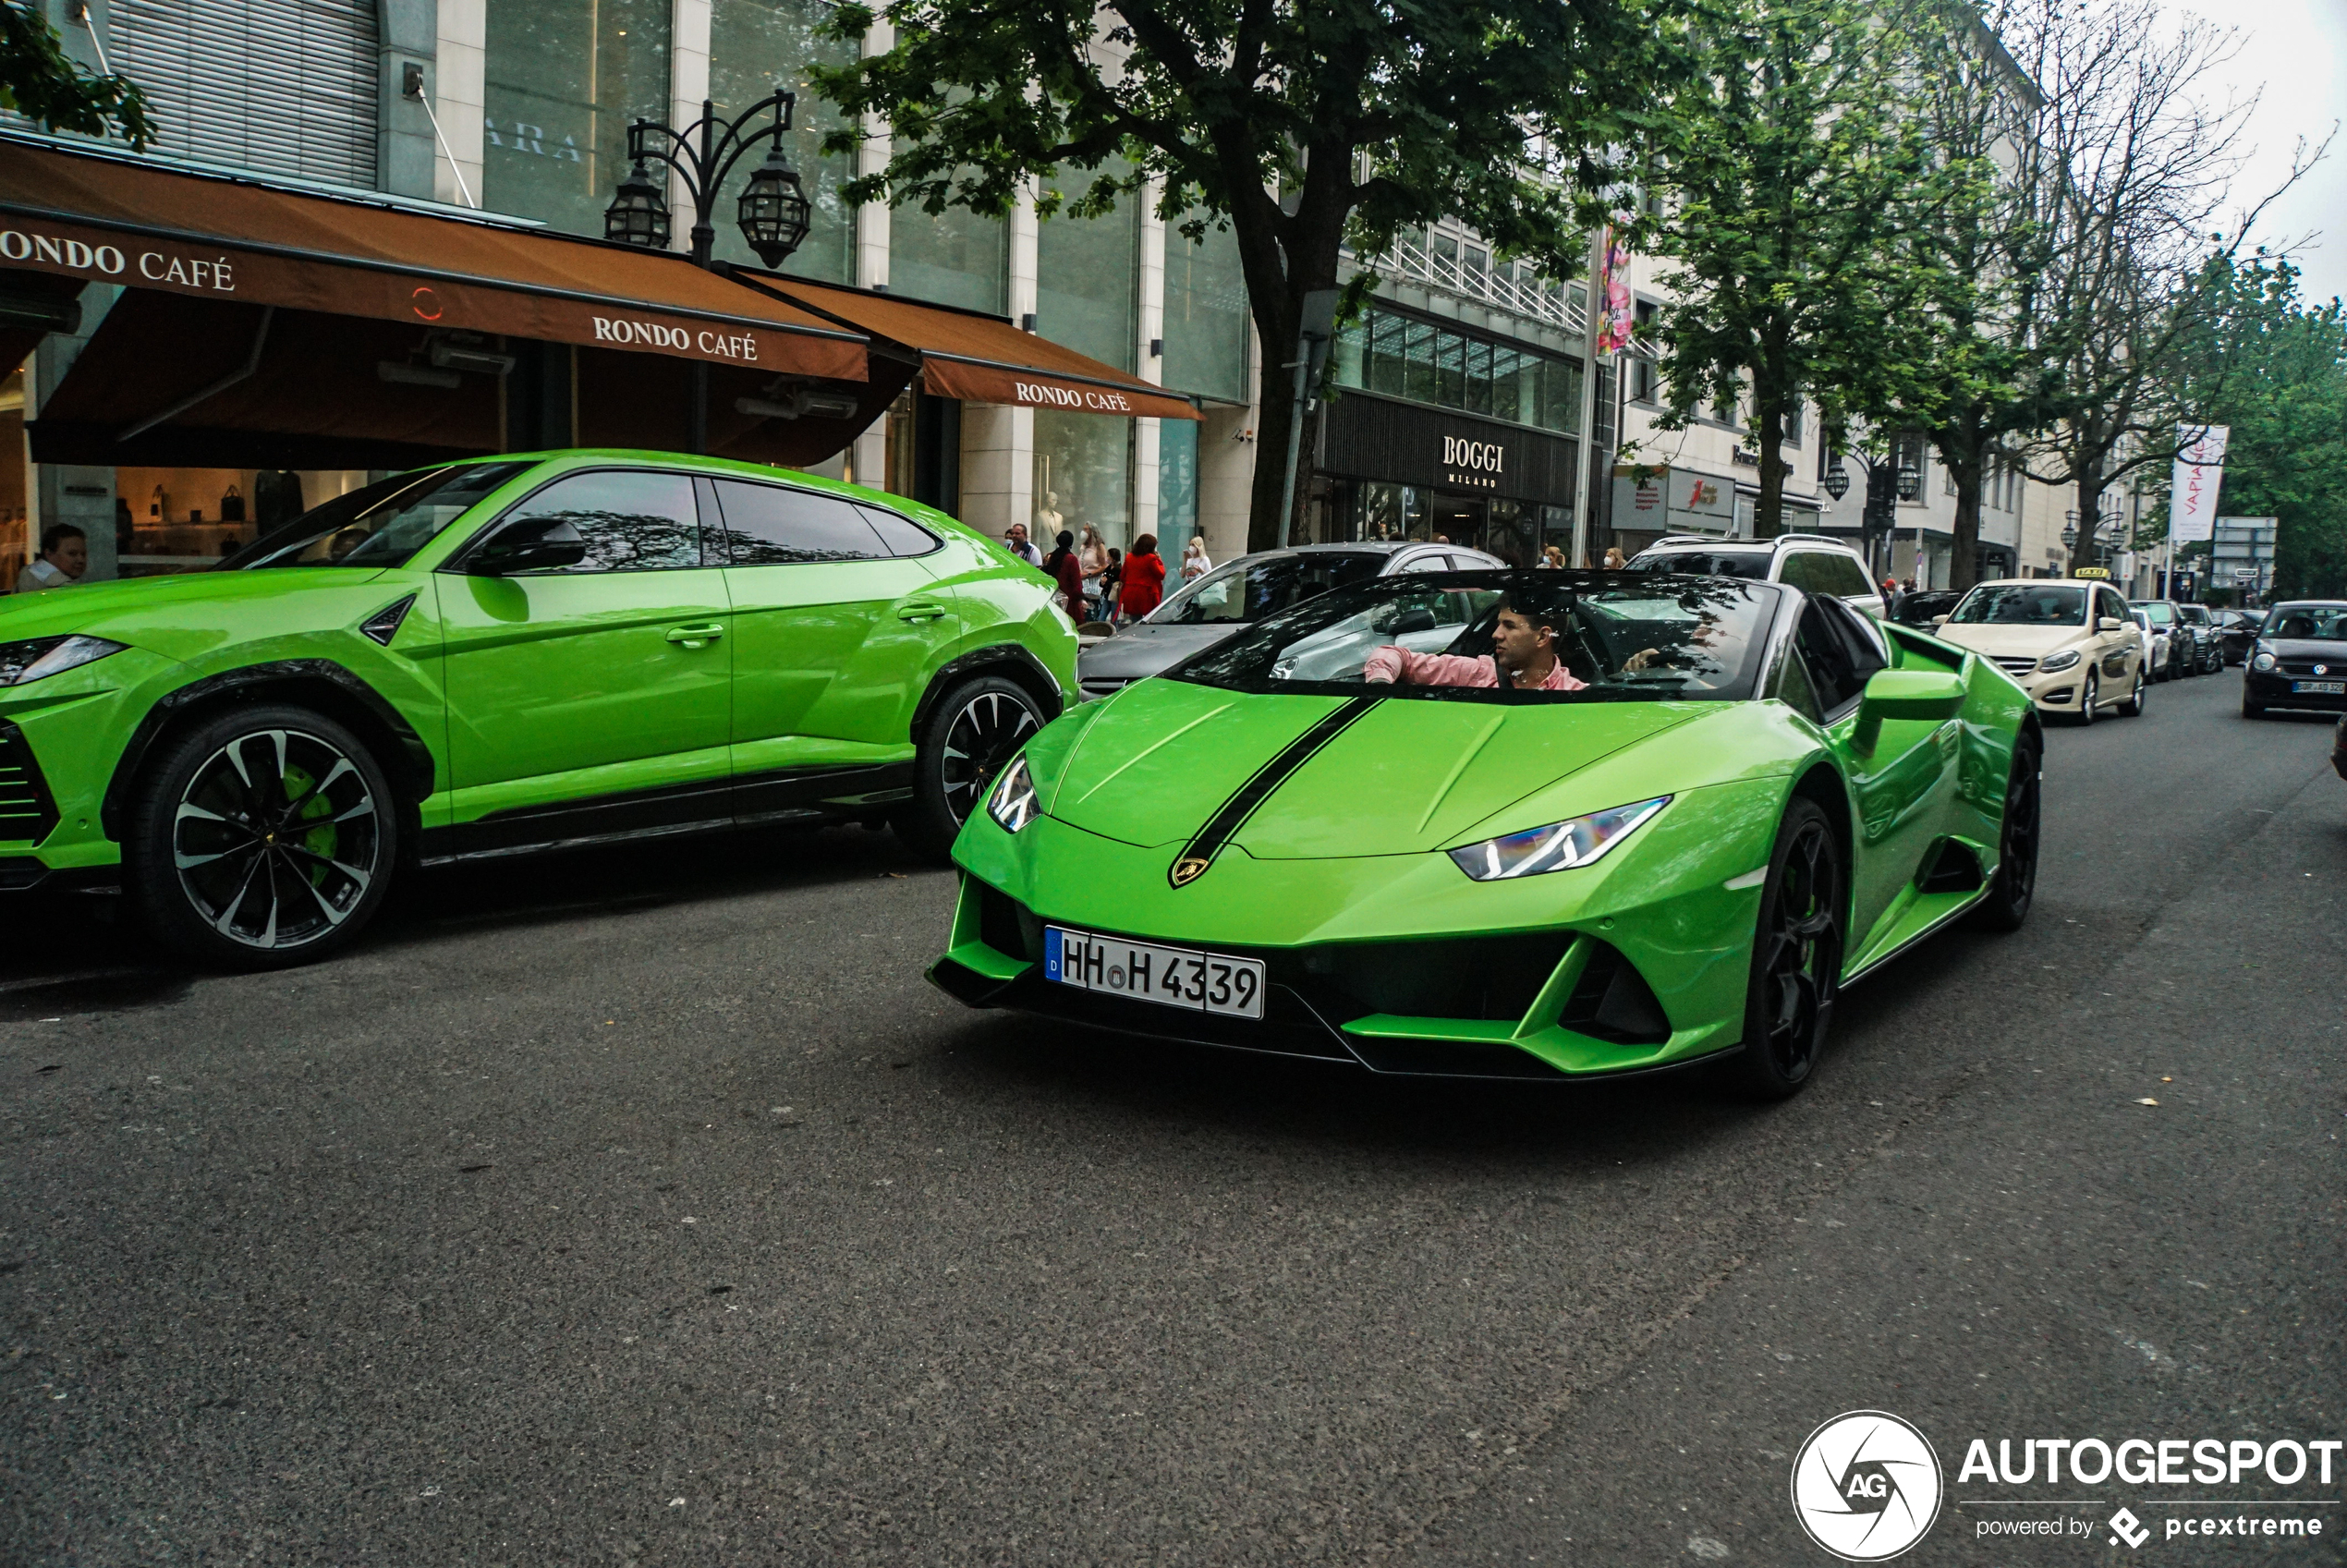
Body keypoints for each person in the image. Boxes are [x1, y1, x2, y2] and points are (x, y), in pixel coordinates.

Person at [1363, 595, 1588, 692]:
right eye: (1498, 624)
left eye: (1509, 626)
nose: (1496, 635)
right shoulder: (1477, 672)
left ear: (1542, 637)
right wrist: (1380, 684)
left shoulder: (1582, 698)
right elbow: (1394, 655)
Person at [16, 524, 88, 593]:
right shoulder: (59, 587)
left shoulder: (29, 574)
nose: (81, 560)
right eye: (72, 554)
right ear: (49, 554)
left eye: (83, 554)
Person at [1119, 533, 1167, 621]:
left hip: (1131, 593)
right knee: (1150, 619)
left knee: (1134, 620)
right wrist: (1159, 560)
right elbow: (1161, 574)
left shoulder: (1129, 557)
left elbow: (1122, 576)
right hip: (1147, 593)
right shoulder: (1151, 558)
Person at [1041, 529, 1084, 619]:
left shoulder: (1051, 556)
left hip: (1053, 598)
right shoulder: (1071, 559)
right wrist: (1081, 599)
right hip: (1069, 601)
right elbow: (1076, 584)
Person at [1077, 526, 1110, 613]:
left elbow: (1104, 566)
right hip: (1083, 586)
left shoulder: (1099, 547)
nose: (1083, 532)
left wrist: (1089, 574)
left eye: (1085, 529)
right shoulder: (1083, 547)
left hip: (1094, 586)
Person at [1097, 548, 1124, 624]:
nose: (1107, 558)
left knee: (1114, 620)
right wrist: (1102, 582)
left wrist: (1107, 582)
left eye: (1108, 556)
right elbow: (1103, 581)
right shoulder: (1108, 568)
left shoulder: (1119, 570)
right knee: (1101, 618)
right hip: (1107, 596)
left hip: (1115, 597)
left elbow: (1117, 584)